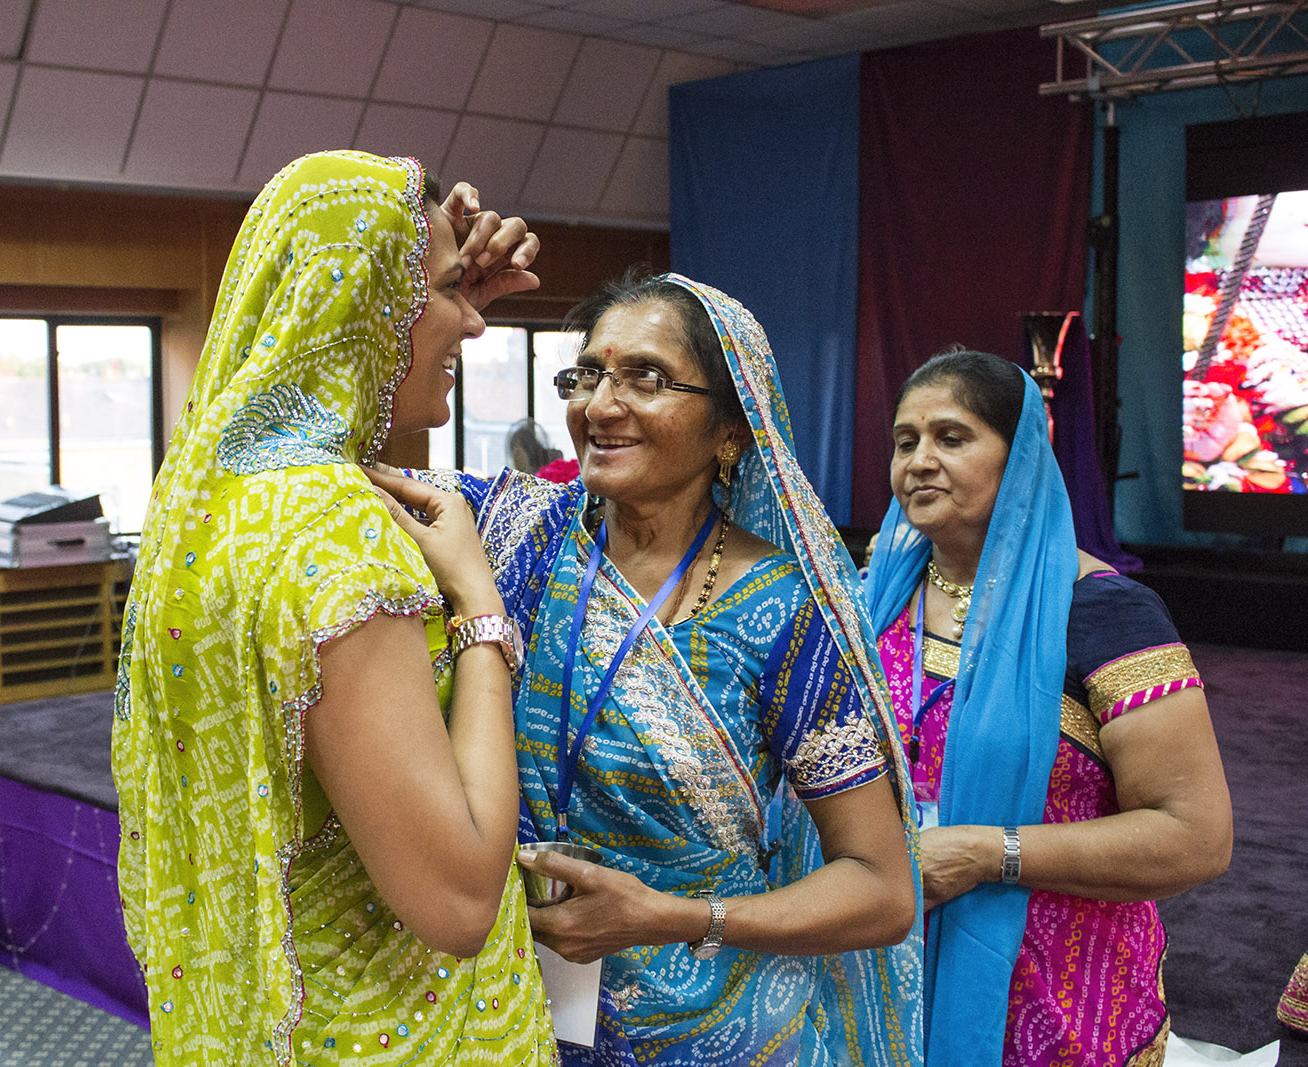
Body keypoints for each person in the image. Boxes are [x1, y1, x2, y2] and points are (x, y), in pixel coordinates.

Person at [374, 270, 924, 1065]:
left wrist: (668, 914)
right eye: (588, 374)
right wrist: (427, 296)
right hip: (507, 1016)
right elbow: (315, 459)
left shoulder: (786, 614)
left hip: (715, 1031)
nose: (598, 405)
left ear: (731, 430)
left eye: (647, 378)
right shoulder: (506, 529)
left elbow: (881, 887)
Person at [111, 150, 557, 1066]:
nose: (474, 321)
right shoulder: (337, 537)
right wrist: (478, 605)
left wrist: (430, 301)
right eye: (445, 291)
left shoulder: (206, 503)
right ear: (363, 311)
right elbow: (459, 898)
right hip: (387, 1028)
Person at [864, 349, 1233, 1066]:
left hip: (1059, 988)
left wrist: (981, 853)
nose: (919, 460)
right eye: (905, 441)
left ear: (1021, 458)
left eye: (952, 436)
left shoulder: (1103, 614)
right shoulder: (873, 593)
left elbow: (1196, 836)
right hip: (884, 960)